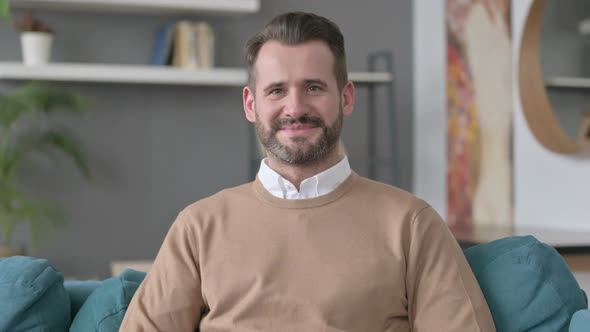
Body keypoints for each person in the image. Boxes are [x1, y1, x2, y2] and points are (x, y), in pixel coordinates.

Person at [121, 12, 496, 331]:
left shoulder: (412, 224)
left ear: (346, 97)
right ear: (251, 104)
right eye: (277, 90)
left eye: (313, 87)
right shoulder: (198, 227)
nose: (295, 107)